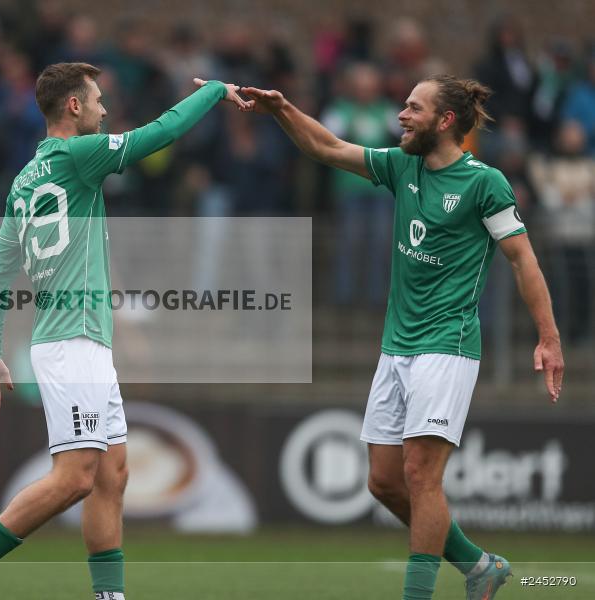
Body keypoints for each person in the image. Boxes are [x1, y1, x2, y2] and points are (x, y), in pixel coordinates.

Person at [241, 75, 564, 600]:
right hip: (397, 347)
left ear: (446, 120)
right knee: (384, 482)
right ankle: (479, 566)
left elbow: (522, 259)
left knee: (420, 474)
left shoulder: (485, 184)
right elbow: (327, 147)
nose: (402, 115)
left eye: (414, 108)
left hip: (448, 344)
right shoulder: (402, 166)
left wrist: (548, 337)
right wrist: (281, 110)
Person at [0, 62, 244, 600]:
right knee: (76, 477)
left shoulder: (25, 178)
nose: (104, 110)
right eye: (98, 100)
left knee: (111, 474)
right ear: (74, 106)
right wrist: (215, 90)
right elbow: (161, 132)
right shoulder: (80, 156)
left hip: (78, 341)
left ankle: (109, 596)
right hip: (71, 342)